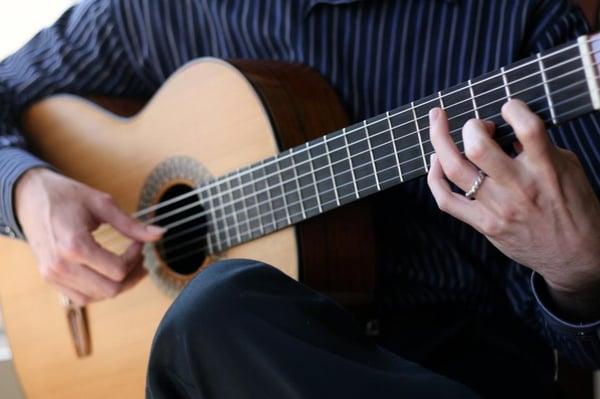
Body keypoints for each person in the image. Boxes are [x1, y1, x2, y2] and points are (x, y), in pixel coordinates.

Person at [0, 0, 599, 397]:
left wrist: (577, 266)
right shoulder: (159, 12)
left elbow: (584, 346)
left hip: (432, 368)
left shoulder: (521, 25)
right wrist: (26, 190)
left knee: (213, 313)